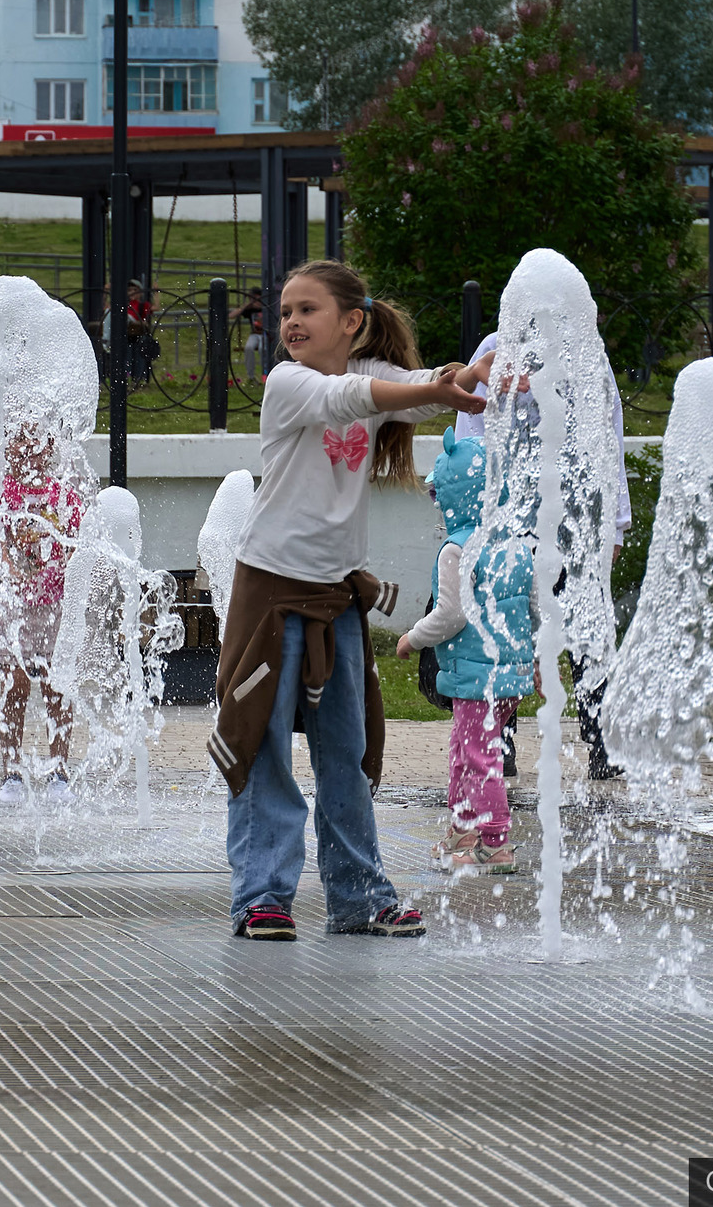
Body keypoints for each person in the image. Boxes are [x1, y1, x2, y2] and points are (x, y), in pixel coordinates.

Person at [209, 259, 487, 941]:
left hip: (335, 596)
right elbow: (353, 399)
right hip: (269, 591)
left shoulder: (366, 380)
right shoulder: (289, 386)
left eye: (307, 310)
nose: (291, 323)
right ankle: (263, 897)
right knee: (262, 744)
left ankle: (359, 895)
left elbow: (411, 394)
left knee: (349, 749)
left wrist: (455, 382)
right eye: (284, 312)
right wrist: (435, 390)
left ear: (351, 320)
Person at [457, 329, 629, 780]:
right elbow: (471, 427)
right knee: (506, 624)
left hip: (577, 517)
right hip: (509, 517)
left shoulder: (587, 350)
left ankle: (603, 739)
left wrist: (613, 525)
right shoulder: (495, 349)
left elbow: (609, 434)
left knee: (588, 627)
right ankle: (499, 737)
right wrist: (475, 518)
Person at [395, 425, 534, 873]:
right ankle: (464, 828)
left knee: (478, 754)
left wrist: (412, 638)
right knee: (466, 747)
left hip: (476, 676)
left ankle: (494, 841)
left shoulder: (455, 551)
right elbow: (533, 611)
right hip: (509, 675)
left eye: (437, 495)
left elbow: (451, 616)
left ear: (452, 495)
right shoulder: (516, 544)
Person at [0, 417, 83, 806]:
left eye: (37, 438)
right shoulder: (1, 494)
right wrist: (16, 566)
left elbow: (77, 546)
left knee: (56, 688)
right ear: (7, 443)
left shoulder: (63, 496)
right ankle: (11, 770)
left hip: (55, 607)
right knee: (13, 687)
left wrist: (58, 561)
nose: (28, 446)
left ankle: (58, 768)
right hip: (14, 607)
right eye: (18, 437)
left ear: (50, 445)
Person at [231, 285, 265, 386]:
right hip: (254, 334)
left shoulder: (267, 308)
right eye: (253, 299)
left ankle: (265, 375)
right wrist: (246, 305)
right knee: (248, 348)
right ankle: (251, 376)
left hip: (265, 334)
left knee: (262, 349)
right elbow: (231, 315)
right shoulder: (250, 310)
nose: (256, 302)